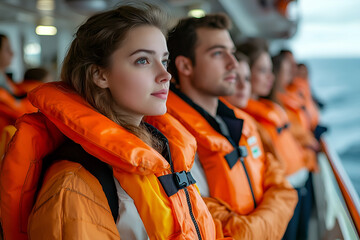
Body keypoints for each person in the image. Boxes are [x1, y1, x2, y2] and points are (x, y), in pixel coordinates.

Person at [0, 4, 219, 240]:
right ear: (100, 75)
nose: (165, 75)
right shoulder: (74, 184)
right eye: (143, 60)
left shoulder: (159, 151)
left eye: (164, 61)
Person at [166, 14, 297, 239]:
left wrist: (254, 227)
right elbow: (219, 229)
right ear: (185, 65)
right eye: (218, 53)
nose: (234, 64)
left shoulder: (243, 123)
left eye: (232, 52)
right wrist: (273, 217)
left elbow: (284, 188)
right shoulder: (170, 139)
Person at [234, 41, 314, 240]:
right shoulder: (243, 120)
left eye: (270, 70)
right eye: (262, 70)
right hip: (279, 197)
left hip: (294, 187)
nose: (271, 77)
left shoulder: (268, 106)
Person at [0, 34, 36, 133]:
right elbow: (21, 113)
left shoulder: (6, 81)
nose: (12, 53)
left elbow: (18, 94)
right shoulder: (2, 92)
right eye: (7, 49)